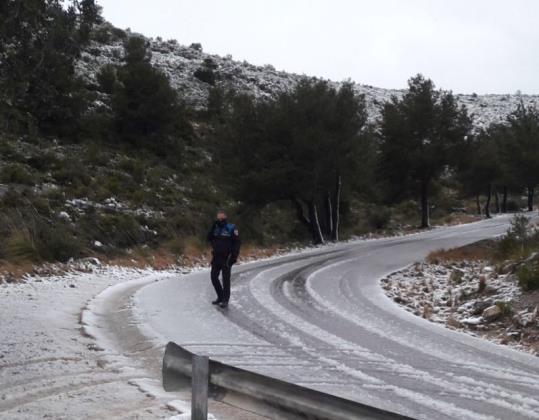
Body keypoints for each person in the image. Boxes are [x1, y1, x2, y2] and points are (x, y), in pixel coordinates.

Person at [206, 210, 240, 308]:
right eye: (218, 217)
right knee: (213, 277)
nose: (220, 219)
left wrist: (234, 257)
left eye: (221, 217)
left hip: (227, 258)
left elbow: (237, 243)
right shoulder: (215, 228)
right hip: (216, 257)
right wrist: (212, 227)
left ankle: (225, 299)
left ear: (225, 217)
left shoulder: (231, 228)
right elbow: (208, 238)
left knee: (226, 279)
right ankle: (220, 296)